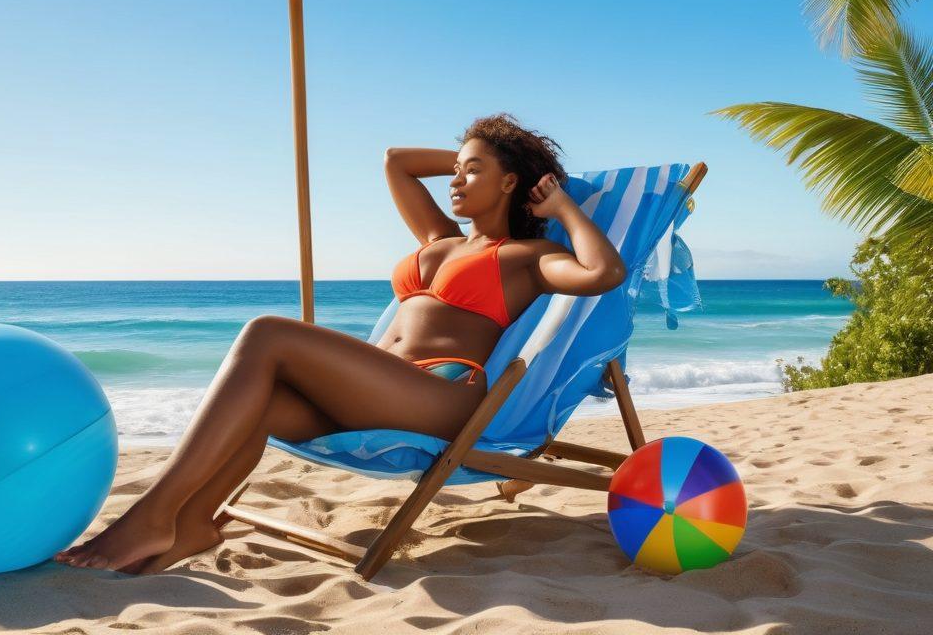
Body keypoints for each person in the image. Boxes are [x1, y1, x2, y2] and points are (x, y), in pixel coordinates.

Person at [55, 112, 626, 574]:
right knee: (261, 401)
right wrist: (474, 152)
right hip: (381, 390)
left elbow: (604, 273)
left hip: (441, 398)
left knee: (266, 334)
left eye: (471, 171)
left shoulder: (528, 257)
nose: (454, 179)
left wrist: (559, 204)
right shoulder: (440, 239)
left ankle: (152, 514)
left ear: (509, 183)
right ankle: (196, 521)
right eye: (455, 168)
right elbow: (396, 163)